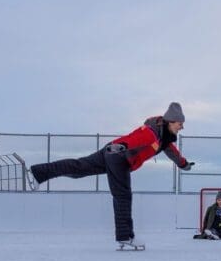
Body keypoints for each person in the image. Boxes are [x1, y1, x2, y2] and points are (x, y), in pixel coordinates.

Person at [26, 102, 194, 250]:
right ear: (171, 121)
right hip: (119, 156)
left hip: (112, 151)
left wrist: (184, 164)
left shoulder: (163, 137)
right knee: (123, 195)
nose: (181, 127)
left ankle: (38, 172)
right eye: (180, 123)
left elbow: (172, 152)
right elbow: (135, 139)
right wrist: (121, 146)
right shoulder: (152, 132)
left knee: (78, 169)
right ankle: (125, 236)